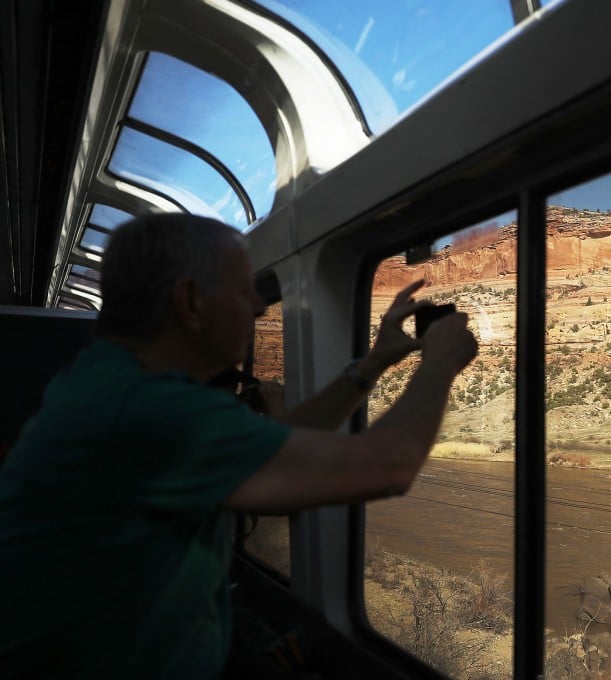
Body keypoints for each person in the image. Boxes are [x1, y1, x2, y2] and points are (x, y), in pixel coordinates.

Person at [0, 212, 478, 678]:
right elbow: (389, 466)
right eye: (244, 288)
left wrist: (373, 363)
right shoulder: (150, 411)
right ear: (191, 302)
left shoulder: (111, 381)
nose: (259, 306)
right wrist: (438, 362)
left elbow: (290, 446)